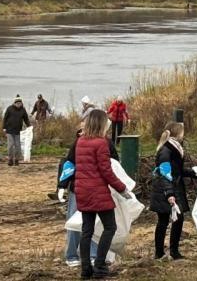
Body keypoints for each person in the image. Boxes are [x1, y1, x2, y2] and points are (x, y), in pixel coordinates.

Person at [73, 109, 131, 279]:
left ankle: (85, 269)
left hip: (82, 190)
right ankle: (100, 266)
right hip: (97, 191)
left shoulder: (80, 141)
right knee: (110, 227)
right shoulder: (101, 143)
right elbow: (106, 171)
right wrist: (122, 188)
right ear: (101, 124)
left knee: (87, 230)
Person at [57, 127, 119, 267]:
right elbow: (69, 163)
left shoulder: (105, 142)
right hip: (82, 188)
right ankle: (73, 254)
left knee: (90, 225)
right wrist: (62, 184)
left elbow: (113, 164)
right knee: (77, 221)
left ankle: (90, 256)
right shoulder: (82, 143)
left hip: (91, 189)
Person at [150, 122, 197, 261]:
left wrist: (195, 173)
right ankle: (171, 252)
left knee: (165, 220)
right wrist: (170, 194)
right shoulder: (167, 151)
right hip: (167, 189)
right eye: (182, 132)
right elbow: (165, 173)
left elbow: (177, 170)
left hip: (169, 187)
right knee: (173, 218)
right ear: (177, 134)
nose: (184, 135)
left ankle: (162, 252)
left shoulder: (173, 149)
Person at [2, 95, 31, 166]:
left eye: (19, 103)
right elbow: (5, 118)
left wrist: (29, 126)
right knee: (10, 145)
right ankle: (10, 159)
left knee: (18, 146)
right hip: (9, 130)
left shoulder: (23, 110)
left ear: (21, 103)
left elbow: (26, 119)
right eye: (17, 103)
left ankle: (17, 159)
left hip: (18, 131)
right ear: (14, 103)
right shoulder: (9, 108)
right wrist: (4, 127)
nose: (18, 104)